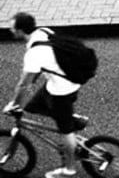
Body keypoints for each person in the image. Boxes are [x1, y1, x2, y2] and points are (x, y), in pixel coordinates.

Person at [4, 12, 82, 178]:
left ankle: (69, 169)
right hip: (64, 80)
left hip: (63, 90)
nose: (10, 30)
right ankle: (71, 119)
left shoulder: (33, 54)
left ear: (20, 31)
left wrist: (14, 104)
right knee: (33, 106)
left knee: (65, 131)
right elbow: (47, 63)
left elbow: (23, 84)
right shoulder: (43, 32)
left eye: (12, 28)